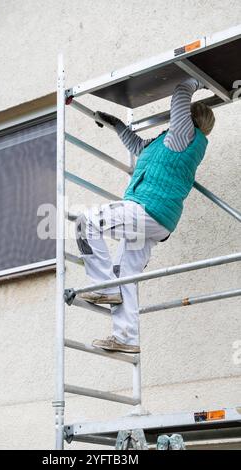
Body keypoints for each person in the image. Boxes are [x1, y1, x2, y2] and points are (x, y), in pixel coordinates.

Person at [75, 77, 215, 353]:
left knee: (85, 222)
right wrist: (116, 125)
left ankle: (104, 287)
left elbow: (179, 93)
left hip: (146, 209)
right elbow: (139, 148)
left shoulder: (184, 136)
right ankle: (126, 338)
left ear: (188, 119)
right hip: (156, 222)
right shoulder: (167, 142)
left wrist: (195, 80)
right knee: (124, 272)